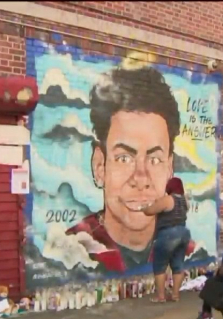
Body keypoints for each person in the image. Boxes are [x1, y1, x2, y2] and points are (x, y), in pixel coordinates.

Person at [66, 66, 184, 272]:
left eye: (155, 160)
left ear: (169, 169)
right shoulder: (70, 255)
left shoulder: (187, 250)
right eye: (124, 158)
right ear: (99, 166)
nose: (140, 178)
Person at [140, 177, 191, 303]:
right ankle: (175, 295)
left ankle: (161, 296)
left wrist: (143, 208)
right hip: (183, 233)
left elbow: (150, 211)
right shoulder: (185, 200)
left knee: (160, 265)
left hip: (168, 233)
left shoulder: (168, 199)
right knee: (178, 265)